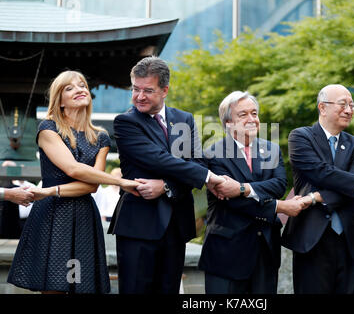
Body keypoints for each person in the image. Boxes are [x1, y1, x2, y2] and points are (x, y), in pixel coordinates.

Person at [7, 70, 140, 294]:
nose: (80, 89)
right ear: (59, 101)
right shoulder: (48, 129)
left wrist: (50, 191)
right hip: (52, 216)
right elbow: (74, 169)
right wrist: (123, 182)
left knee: (84, 287)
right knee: (53, 288)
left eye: (82, 85)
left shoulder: (101, 137)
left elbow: (92, 184)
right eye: (70, 88)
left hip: (83, 216)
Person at [108, 56, 225, 294]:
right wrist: (209, 178)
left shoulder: (184, 119)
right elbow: (159, 159)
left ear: (165, 90)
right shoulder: (125, 122)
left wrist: (167, 186)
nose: (139, 96)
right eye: (135, 89)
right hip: (138, 226)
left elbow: (196, 161)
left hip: (176, 224)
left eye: (148, 90)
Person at [281, 84, 354, 294]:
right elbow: (321, 172)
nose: (349, 110)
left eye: (352, 105)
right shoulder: (301, 137)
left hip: (348, 238)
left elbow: (349, 186)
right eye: (343, 104)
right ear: (322, 107)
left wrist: (314, 197)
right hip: (311, 236)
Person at [198, 91, 306, 294]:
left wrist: (243, 188)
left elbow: (279, 185)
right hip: (226, 254)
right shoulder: (213, 154)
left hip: (265, 250)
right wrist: (279, 206)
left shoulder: (272, 150)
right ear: (229, 123)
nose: (252, 119)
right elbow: (232, 201)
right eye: (243, 114)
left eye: (254, 113)